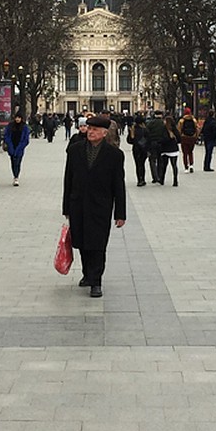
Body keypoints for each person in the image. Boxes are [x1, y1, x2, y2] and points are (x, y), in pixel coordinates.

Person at [62, 114, 126, 298]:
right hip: (78, 204)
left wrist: (120, 213)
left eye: (95, 130)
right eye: (89, 128)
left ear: (104, 133)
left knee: (97, 244)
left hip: (101, 206)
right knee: (81, 241)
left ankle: (96, 280)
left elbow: (118, 186)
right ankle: (86, 273)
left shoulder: (114, 155)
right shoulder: (74, 151)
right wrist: (66, 207)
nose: (90, 132)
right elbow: (68, 180)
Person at [3, 112, 31, 186]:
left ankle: (16, 177)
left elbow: (26, 139)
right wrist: (9, 145)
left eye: (19, 118)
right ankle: (15, 176)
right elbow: (6, 136)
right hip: (12, 146)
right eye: (16, 117)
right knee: (13, 162)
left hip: (20, 148)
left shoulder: (24, 127)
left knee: (18, 162)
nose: (17, 119)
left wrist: (21, 146)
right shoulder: (10, 126)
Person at [126, 113, 148, 186]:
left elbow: (129, 141)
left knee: (138, 165)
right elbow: (149, 139)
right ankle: (143, 179)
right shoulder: (145, 130)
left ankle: (139, 179)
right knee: (142, 164)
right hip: (144, 149)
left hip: (136, 149)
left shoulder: (133, 130)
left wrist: (132, 135)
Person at [160, 115, 181, 186]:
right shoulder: (174, 129)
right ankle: (175, 180)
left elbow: (162, 139)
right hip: (174, 149)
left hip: (165, 149)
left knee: (164, 165)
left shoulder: (163, 129)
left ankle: (162, 179)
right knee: (174, 165)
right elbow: (179, 139)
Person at [177, 107, 198, 172]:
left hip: (184, 137)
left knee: (185, 153)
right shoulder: (194, 120)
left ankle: (186, 167)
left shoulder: (181, 120)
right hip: (192, 138)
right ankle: (191, 165)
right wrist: (196, 136)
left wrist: (179, 137)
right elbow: (197, 128)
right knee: (190, 152)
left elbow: (179, 129)